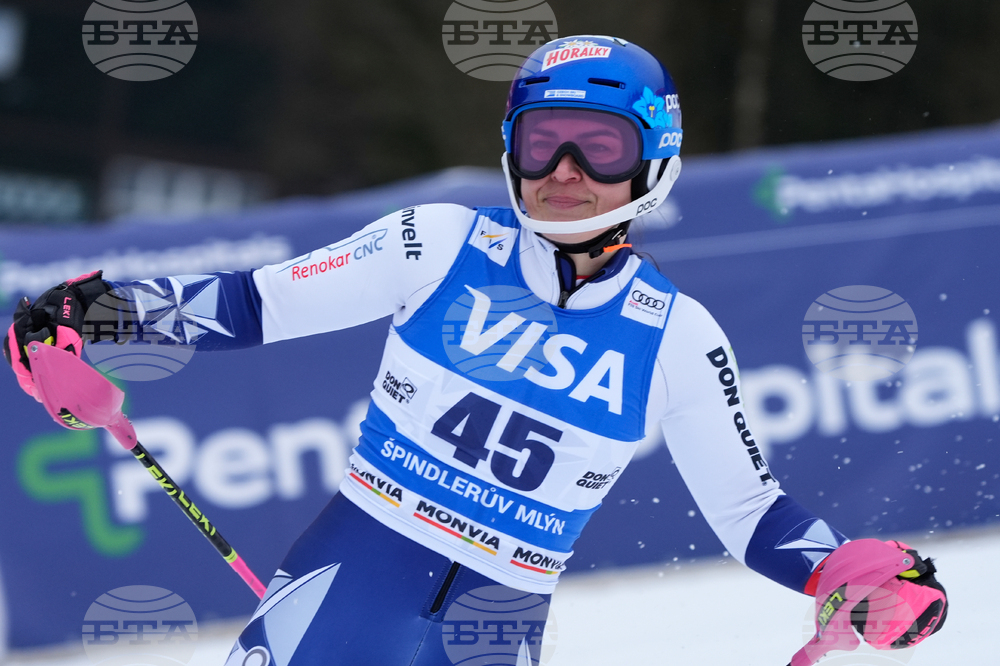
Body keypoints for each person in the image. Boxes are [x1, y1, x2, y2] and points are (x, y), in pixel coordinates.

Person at [6, 36, 946, 666]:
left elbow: (750, 510)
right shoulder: (438, 242)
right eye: (542, 144)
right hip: (352, 572)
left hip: (499, 620)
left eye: (599, 147)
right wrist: (96, 311)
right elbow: (258, 304)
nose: (564, 174)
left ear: (653, 159)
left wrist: (844, 571)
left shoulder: (679, 337)